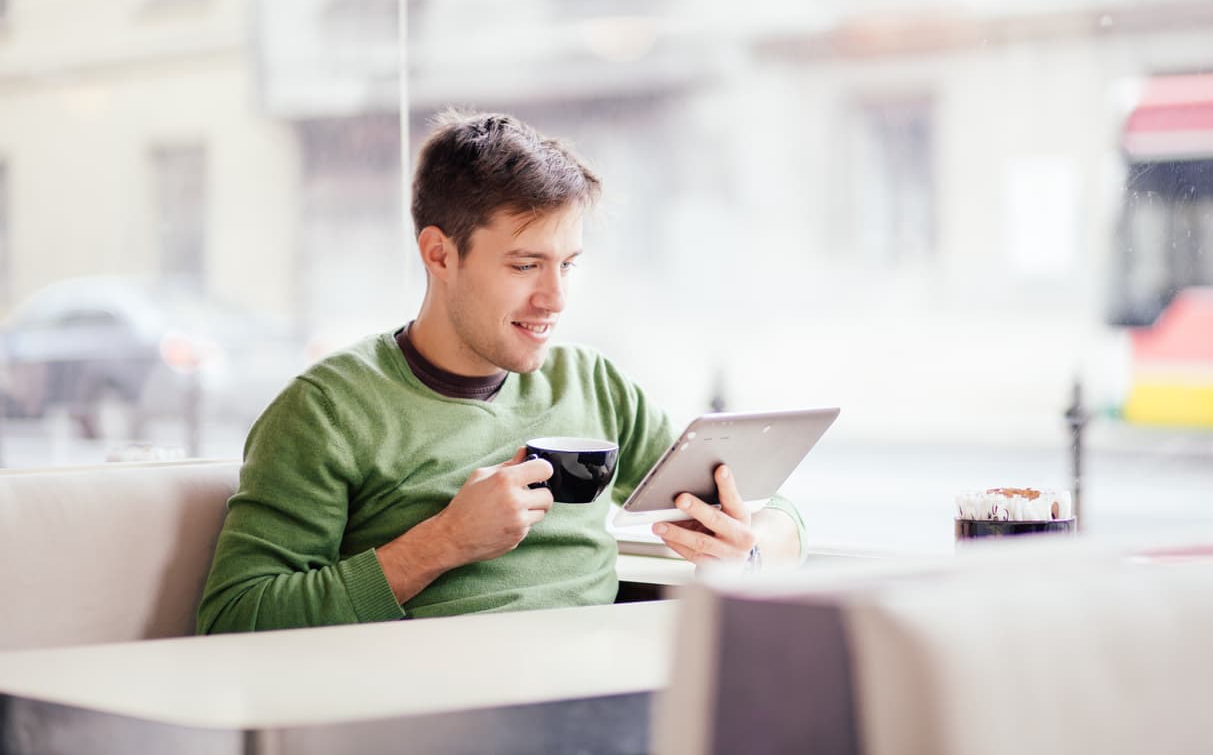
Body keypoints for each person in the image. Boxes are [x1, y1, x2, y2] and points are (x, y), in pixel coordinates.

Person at [197, 111, 805, 633]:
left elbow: (773, 510)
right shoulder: (328, 411)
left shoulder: (593, 384)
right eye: (524, 266)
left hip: (594, 691)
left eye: (567, 263)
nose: (556, 298)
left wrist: (745, 548)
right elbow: (234, 616)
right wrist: (443, 543)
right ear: (439, 254)